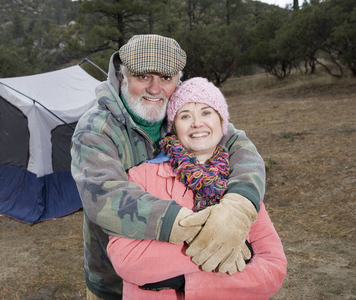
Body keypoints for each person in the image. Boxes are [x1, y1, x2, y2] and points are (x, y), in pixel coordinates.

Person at [71, 34, 266, 300]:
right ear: (122, 74)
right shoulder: (96, 129)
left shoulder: (184, 111)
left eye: (166, 78)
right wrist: (195, 226)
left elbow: (240, 147)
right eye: (143, 77)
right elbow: (103, 196)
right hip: (115, 280)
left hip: (189, 278)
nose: (155, 88)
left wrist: (239, 204)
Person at [106, 77, 287, 299]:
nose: (197, 123)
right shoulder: (140, 177)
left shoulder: (239, 180)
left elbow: (273, 267)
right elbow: (126, 258)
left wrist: (191, 282)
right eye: (185, 116)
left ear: (222, 122)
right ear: (173, 128)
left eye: (206, 112)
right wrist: (222, 250)